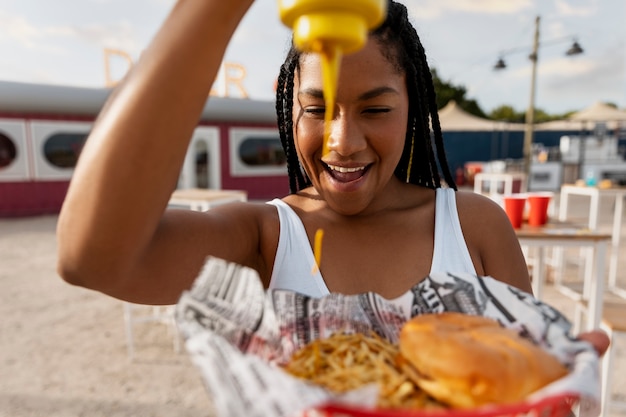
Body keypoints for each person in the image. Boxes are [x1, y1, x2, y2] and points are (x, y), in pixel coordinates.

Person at [56, 0, 608, 354]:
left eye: (375, 108)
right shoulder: (265, 239)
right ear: (288, 108)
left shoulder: (474, 227)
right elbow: (94, 259)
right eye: (316, 109)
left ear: (413, 109)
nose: (341, 141)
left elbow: (526, 376)